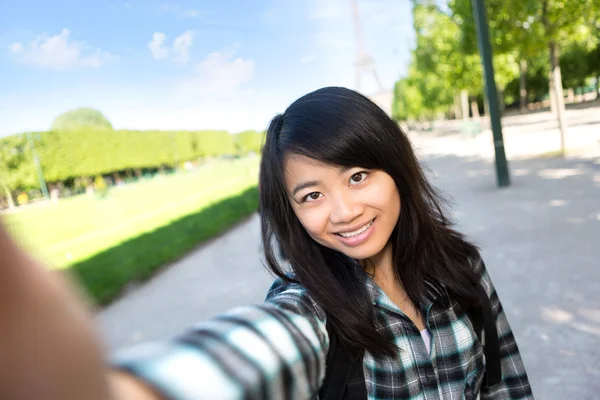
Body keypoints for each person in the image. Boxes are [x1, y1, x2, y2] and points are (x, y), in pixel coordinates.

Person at [0, 87, 533, 399]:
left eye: (356, 176)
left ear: (396, 169)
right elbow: (252, 355)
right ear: (291, 212)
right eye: (310, 195)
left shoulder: (461, 264)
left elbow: (507, 382)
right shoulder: (308, 306)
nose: (344, 213)